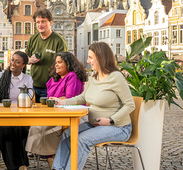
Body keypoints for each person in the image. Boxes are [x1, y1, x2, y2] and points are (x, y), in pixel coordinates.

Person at [50, 42, 135, 170]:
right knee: (67, 134)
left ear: (100, 57)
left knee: (81, 140)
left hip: (118, 127)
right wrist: (62, 102)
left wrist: (110, 120)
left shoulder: (116, 77)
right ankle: (57, 169)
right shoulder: (94, 77)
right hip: (94, 124)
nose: (87, 61)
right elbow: (83, 97)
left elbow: (130, 104)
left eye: (90, 57)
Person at [25, 52, 87, 169]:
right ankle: (50, 156)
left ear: (68, 64)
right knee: (36, 125)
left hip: (71, 115)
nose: (56, 65)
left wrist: (56, 100)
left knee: (44, 127)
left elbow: (70, 98)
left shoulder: (72, 76)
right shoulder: (55, 78)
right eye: (56, 63)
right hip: (55, 113)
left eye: (60, 62)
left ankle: (52, 157)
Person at [0, 51, 33, 170]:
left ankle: (15, 165)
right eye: (12, 60)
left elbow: (29, 98)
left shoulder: (27, 79)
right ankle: (19, 164)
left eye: (17, 61)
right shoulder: (0, 76)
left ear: (23, 65)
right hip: (2, 115)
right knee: (5, 130)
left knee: (21, 129)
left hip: (21, 116)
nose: (13, 63)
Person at [25, 9, 68, 103]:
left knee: (46, 115)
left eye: (43, 21)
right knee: (33, 115)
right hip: (33, 86)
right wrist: (30, 60)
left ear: (50, 22)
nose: (40, 24)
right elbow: (25, 59)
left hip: (50, 87)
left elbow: (66, 63)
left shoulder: (58, 40)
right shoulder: (33, 39)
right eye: (38, 22)